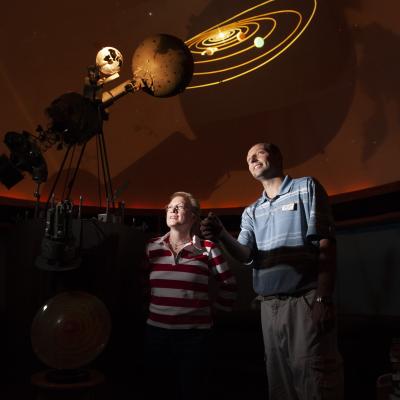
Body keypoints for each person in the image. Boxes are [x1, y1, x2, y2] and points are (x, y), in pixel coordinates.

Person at [200, 143, 344, 400]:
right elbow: (245, 255)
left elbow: (325, 243)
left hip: (305, 303)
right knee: (280, 384)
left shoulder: (306, 187)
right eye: (247, 158)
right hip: (268, 307)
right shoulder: (251, 211)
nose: (252, 159)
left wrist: (323, 298)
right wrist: (221, 234)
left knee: (314, 381)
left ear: (277, 156)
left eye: (258, 153)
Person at [142, 191, 237, 400]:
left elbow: (228, 283)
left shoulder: (208, 248)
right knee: (158, 390)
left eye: (180, 206)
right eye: (170, 207)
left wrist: (216, 312)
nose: (173, 210)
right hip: (156, 333)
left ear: (194, 216)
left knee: (192, 391)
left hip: (195, 337)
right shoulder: (151, 247)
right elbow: (141, 285)